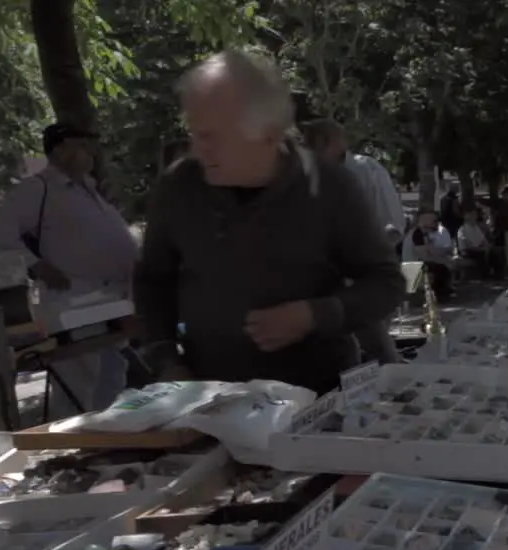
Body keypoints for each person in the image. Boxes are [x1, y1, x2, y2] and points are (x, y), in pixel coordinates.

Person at [134, 50, 404, 394]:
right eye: (195, 134)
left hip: (317, 397)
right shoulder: (179, 187)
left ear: (269, 135)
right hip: (209, 398)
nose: (199, 151)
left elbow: (386, 283)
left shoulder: (329, 186)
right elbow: (152, 281)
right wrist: (165, 359)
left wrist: (314, 315)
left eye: (213, 137)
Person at [0, 123, 138, 418]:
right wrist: (36, 265)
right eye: (80, 144)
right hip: (74, 299)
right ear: (58, 149)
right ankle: (73, 448)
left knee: (112, 373)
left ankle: (111, 435)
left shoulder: (89, 189)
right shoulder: (39, 188)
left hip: (110, 298)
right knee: (80, 382)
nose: (89, 151)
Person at [300, 118, 402, 363]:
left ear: (327, 143)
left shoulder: (366, 170)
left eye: (309, 145)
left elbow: (393, 225)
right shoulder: (308, 177)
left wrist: (369, 266)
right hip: (326, 283)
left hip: (365, 278)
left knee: (378, 348)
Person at [404, 210, 455, 301]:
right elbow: (425, 257)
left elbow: (431, 251)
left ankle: (443, 292)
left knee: (443, 264)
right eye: (433, 220)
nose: (436, 223)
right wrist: (444, 261)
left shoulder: (423, 234)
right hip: (413, 265)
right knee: (440, 268)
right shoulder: (417, 234)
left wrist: (445, 256)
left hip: (417, 263)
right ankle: (439, 295)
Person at [458, 207, 499, 277]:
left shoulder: (476, 227)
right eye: (472, 215)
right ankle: (485, 275)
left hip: (478, 248)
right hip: (468, 250)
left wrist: (488, 246)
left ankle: (498, 273)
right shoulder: (462, 229)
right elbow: (465, 244)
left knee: (494, 252)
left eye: (475, 215)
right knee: (481, 254)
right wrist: (480, 248)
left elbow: (483, 239)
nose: (474, 217)